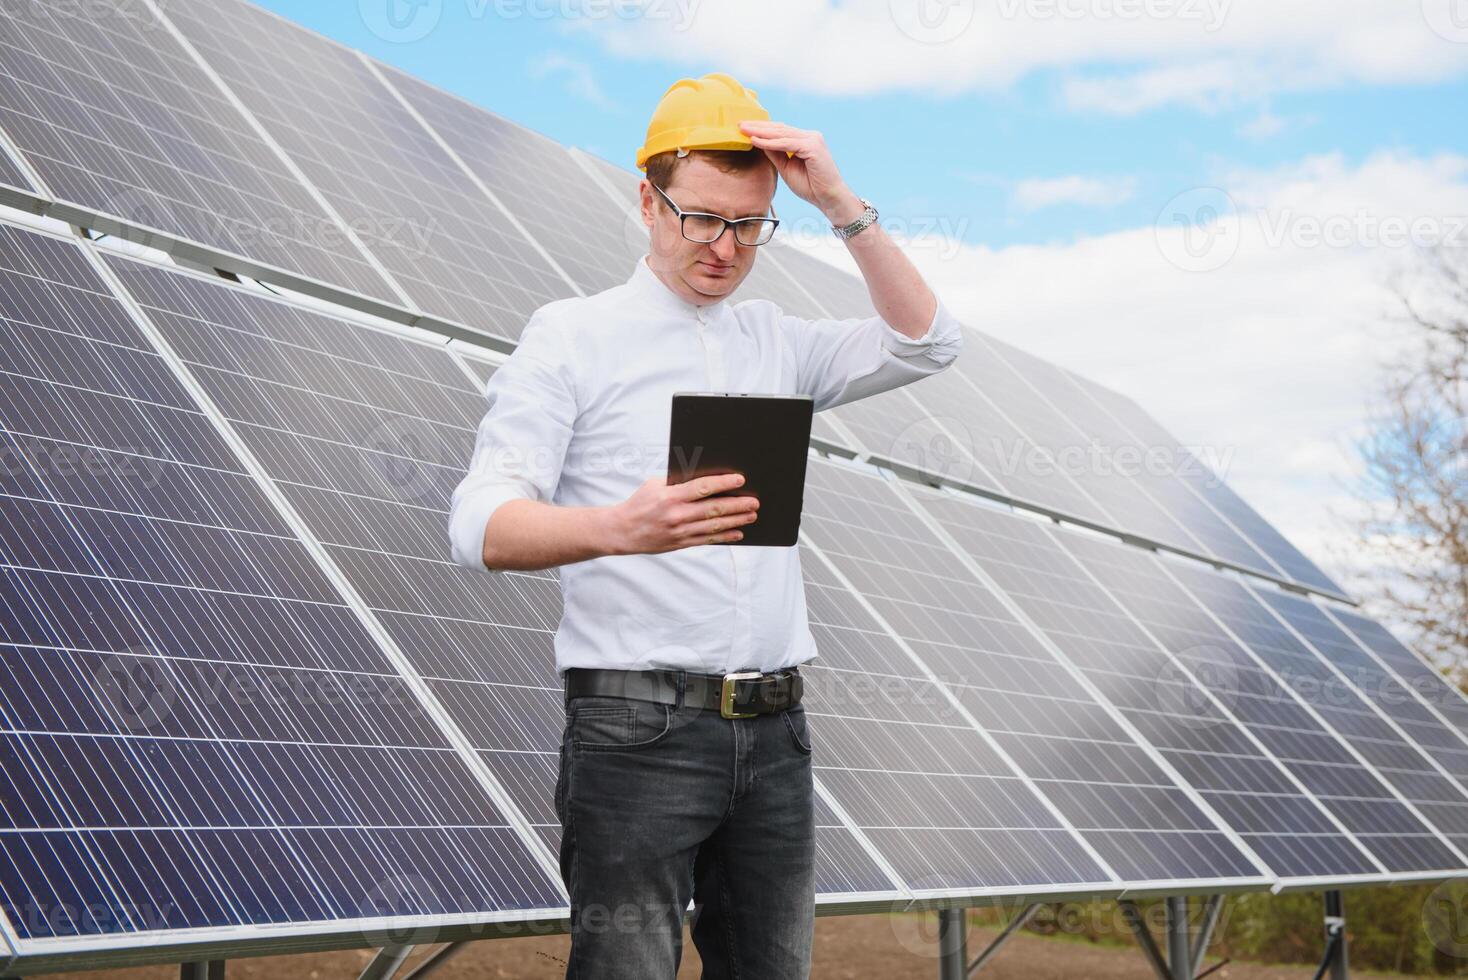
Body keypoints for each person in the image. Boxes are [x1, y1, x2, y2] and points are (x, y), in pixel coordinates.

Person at [447, 71, 963, 979]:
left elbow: (928, 342)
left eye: (749, 225)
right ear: (647, 200)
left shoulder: (781, 341)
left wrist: (838, 201)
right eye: (700, 218)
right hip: (634, 733)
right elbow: (480, 525)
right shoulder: (572, 335)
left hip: (777, 736)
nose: (724, 247)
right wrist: (621, 526)